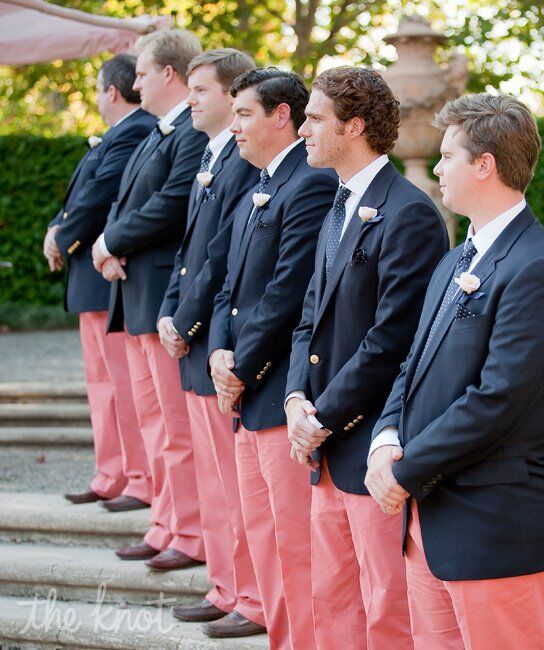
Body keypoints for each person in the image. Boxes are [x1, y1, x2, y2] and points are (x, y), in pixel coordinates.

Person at [365, 93, 544, 650]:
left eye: (447, 155)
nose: (436, 168)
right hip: (430, 522)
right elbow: (412, 365)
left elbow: (498, 401)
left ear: (484, 165)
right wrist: (385, 438)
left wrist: (405, 471)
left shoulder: (538, 269)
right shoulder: (457, 259)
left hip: (498, 524)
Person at [284, 66, 448, 649]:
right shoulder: (338, 203)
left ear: (353, 126)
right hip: (323, 441)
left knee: (387, 605)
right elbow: (309, 314)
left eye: (314, 119)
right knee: (332, 595)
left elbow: (391, 341)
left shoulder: (409, 214)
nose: (302, 129)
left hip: (369, 441)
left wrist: (323, 418)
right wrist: (296, 398)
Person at [207, 68, 337, 646]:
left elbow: (289, 290)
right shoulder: (257, 180)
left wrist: (239, 367)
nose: (233, 127)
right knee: (262, 533)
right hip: (244, 390)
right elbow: (227, 282)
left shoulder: (308, 184)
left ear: (279, 115)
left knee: (292, 541)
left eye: (243, 114)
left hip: (274, 386)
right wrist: (216, 348)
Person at [155, 49, 264, 634]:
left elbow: (223, 257)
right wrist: (170, 312)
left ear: (231, 94)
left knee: (235, 482)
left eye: (200, 90)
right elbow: (188, 249)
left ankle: (252, 597)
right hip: (193, 336)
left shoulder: (246, 163)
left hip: (215, 338)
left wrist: (189, 322)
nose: (190, 99)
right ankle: (225, 585)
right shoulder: (210, 154)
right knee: (214, 479)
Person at [91, 29, 208, 570]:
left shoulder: (192, 130)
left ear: (168, 74)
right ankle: (165, 520)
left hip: (163, 293)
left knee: (175, 428)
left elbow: (172, 202)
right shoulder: (160, 132)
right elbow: (124, 199)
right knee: (154, 423)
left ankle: (187, 532)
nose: (133, 82)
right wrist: (108, 244)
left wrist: (114, 241)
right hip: (134, 290)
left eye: (140, 72)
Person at [44, 54, 155, 509]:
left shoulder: (135, 132)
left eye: (95, 88)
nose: (94, 97)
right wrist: (57, 228)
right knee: (103, 386)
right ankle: (113, 470)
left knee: (120, 388)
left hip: (105, 275)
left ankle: (135, 476)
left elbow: (99, 197)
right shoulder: (118, 135)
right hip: (91, 278)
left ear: (111, 91)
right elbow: (78, 198)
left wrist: (62, 237)